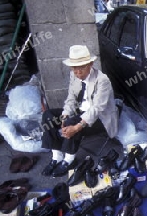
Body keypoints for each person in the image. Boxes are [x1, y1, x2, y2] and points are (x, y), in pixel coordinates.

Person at [41, 45, 119, 177]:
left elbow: (97, 108)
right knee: (48, 115)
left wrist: (76, 127)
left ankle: (69, 160)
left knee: (73, 122)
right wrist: (65, 114)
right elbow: (71, 97)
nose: (77, 72)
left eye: (81, 67)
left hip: (100, 119)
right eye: (74, 68)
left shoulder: (102, 80)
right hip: (80, 112)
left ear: (91, 64)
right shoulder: (74, 75)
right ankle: (57, 157)